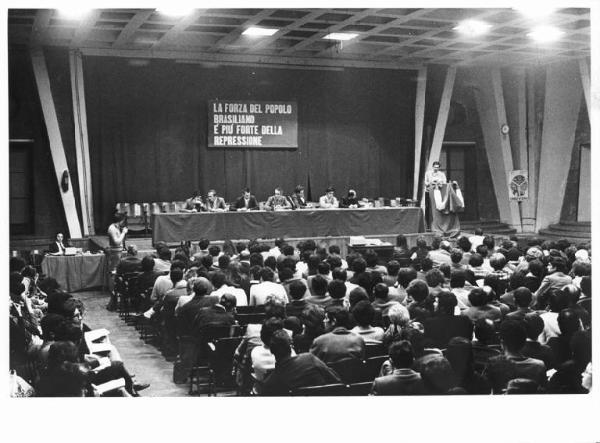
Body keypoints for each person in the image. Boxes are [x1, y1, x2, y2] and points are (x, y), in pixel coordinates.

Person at [261, 330, 341, 396]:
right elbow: (336, 379)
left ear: (271, 351)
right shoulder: (309, 359)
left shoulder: (270, 384)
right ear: (291, 346)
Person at [423, 160, 447, 225]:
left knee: (438, 207)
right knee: (428, 207)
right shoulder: (428, 173)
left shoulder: (442, 174)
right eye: (435, 167)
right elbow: (425, 182)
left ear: (439, 168)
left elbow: (444, 182)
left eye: (437, 167)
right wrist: (431, 183)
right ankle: (428, 223)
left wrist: (439, 183)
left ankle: (438, 223)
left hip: (438, 192)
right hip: (429, 191)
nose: (436, 168)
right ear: (432, 167)